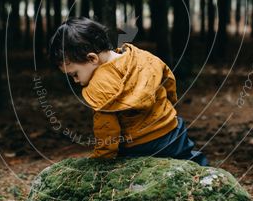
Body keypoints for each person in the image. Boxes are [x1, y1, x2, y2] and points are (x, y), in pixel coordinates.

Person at [48, 17, 209, 166]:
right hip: (172, 131)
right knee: (192, 158)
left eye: (74, 74)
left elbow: (107, 130)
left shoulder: (99, 87)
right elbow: (168, 82)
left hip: (139, 145)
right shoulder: (141, 57)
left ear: (92, 58)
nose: (76, 81)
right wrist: (169, 109)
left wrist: (101, 159)